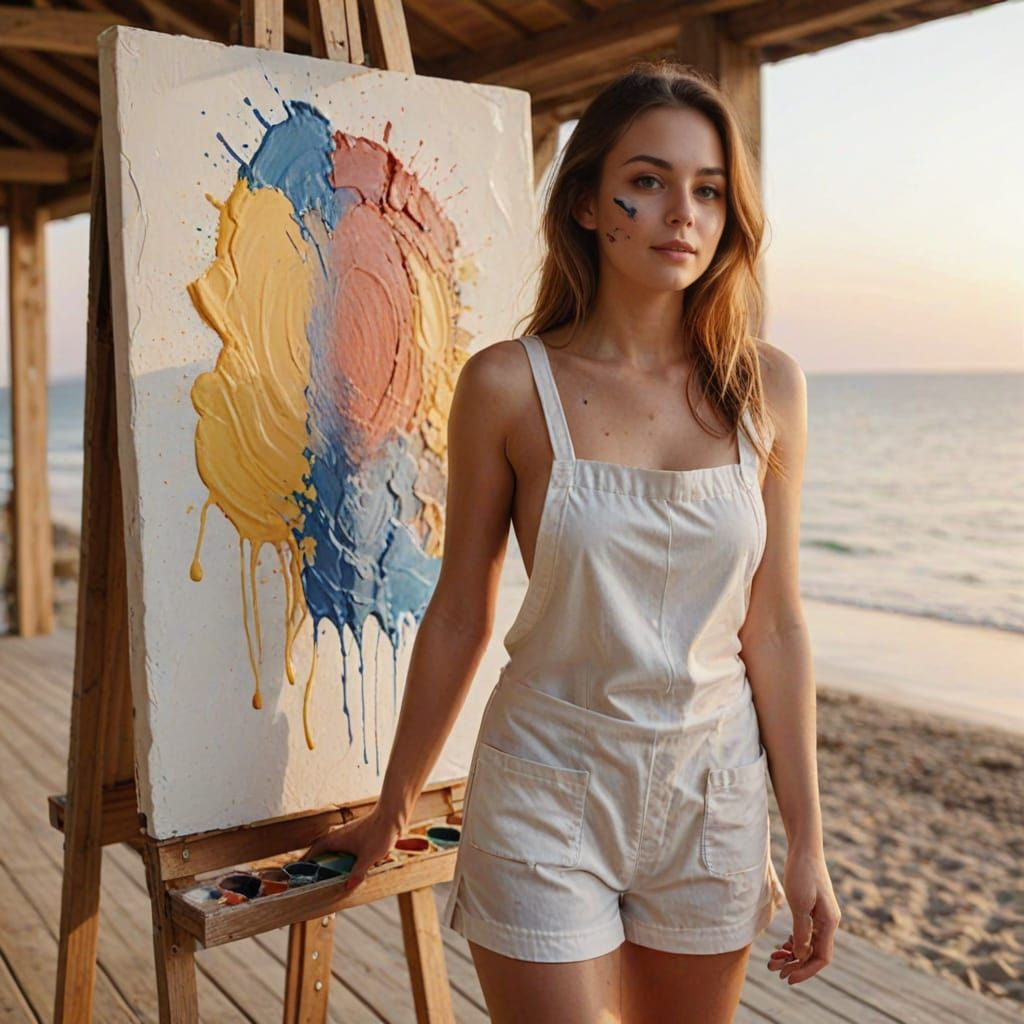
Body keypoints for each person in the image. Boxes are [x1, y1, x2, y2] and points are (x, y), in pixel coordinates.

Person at [307, 59, 841, 1023]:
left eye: (708, 190)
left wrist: (805, 840)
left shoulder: (769, 389)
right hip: (547, 788)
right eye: (648, 181)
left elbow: (777, 626)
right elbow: (461, 611)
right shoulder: (509, 386)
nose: (683, 210)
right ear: (590, 202)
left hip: (714, 795)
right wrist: (393, 807)